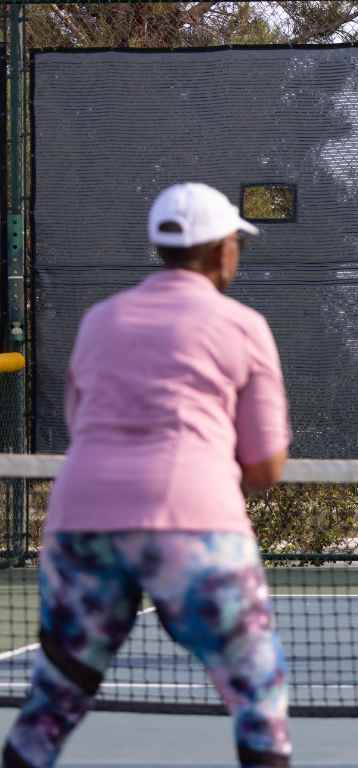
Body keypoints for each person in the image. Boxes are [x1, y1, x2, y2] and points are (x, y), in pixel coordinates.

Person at [3, 183, 292, 768]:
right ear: (221, 251)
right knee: (258, 695)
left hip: (81, 521)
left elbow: (84, 426)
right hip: (196, 525)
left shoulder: (99, 321)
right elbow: (264, 468)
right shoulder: (244, 326)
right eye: (237, 240)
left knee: (54, 701)